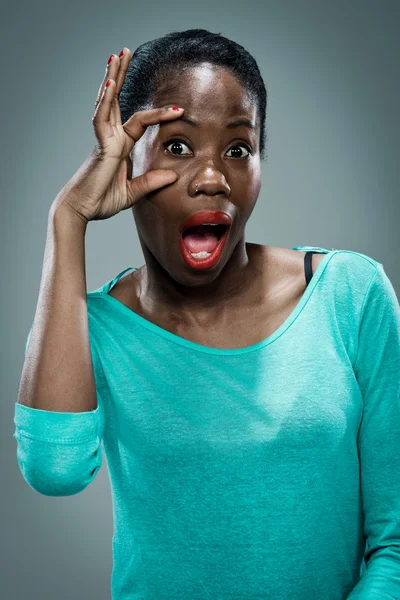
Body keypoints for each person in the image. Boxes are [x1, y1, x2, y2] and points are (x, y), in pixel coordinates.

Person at [13, 28, 400, 600]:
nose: (214, 177)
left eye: (239, 149)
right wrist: (67, 217)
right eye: (177, 146)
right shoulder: (93, 328)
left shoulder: (349, 295)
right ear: (127, 163)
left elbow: (394, 542)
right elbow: (55, 470)